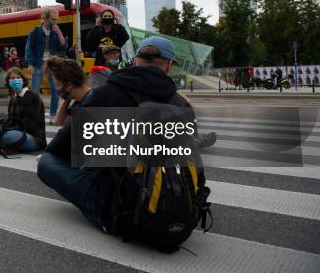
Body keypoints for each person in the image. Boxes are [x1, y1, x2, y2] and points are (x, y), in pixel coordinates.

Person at [37, 36, 212, 237]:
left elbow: (58, 148)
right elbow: (196, 168)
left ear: (136, 61)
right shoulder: (180, 104)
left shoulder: (106, 94)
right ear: (168, 66)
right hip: (174, 213)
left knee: (46, 161)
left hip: (116, 211)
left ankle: (101, 212)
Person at [25, 7, 66, 123]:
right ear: (45, 18)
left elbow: (63, 45)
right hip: (38, 63)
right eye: (52, 19)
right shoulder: (36, 31)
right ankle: (35, 115)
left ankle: (53, 115)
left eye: (56, 20)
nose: (54, 22)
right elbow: (29, 48)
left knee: (55, 90)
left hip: (51, 64)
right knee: (35, 91)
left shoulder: (56, 31)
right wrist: (30, 64)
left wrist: (58, 32)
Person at [2, 67, 46, 153]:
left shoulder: (32, 96)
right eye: (12, 78)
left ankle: (8, 145)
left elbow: (31, 124)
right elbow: (11, 121)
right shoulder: (13, 98)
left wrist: (11, 129)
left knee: (7, 136)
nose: (16, 80)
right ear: (8, 82)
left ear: (23, 80)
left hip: (34, 138)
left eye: (18, 78)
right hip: (18, 133)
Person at [45, 57, 93, 128]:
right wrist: (67, 98)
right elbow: (60, 122)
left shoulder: (88, 103)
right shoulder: (81, 100)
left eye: (58, 85)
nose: (57, 89)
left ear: (69, 85)